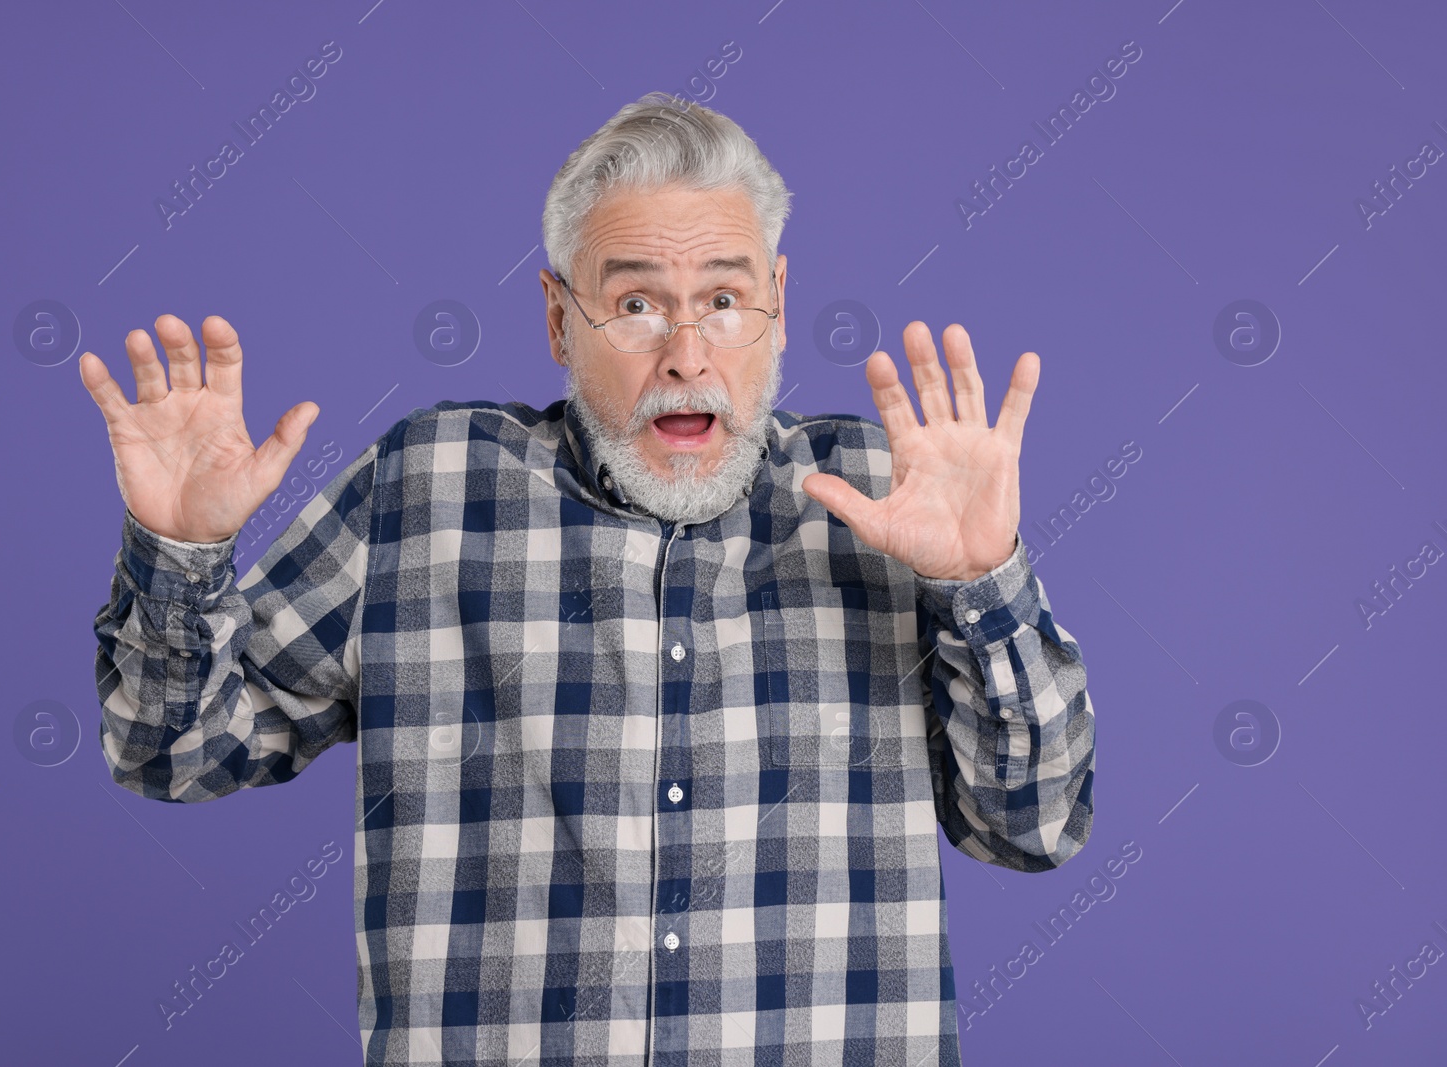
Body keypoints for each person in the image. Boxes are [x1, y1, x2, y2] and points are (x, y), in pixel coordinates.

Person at [82, 91, 1094, 1066]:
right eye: (637, 303)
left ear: (778, 307)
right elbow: (170, 750)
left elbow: (1034, 824)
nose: (686, 352)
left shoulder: (886, 499)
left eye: (725, 300)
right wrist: (180, 555)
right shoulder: (425, 488)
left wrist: (982, 582)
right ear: (561, 319)